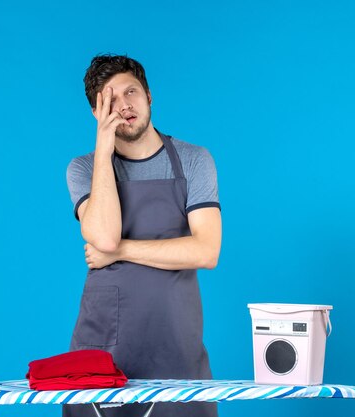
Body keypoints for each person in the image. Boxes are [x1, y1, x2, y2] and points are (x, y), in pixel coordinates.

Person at [64, 54, 222, 417]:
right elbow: (103, 236)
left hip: (176, 343)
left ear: (149, 96)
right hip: (103, 347)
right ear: (96, 113)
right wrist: (104, 151)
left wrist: (121, 252)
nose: (124, 106)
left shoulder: (195, 160)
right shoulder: (83, 168)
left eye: (131, 92)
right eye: (110, 99)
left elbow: (206, 250)